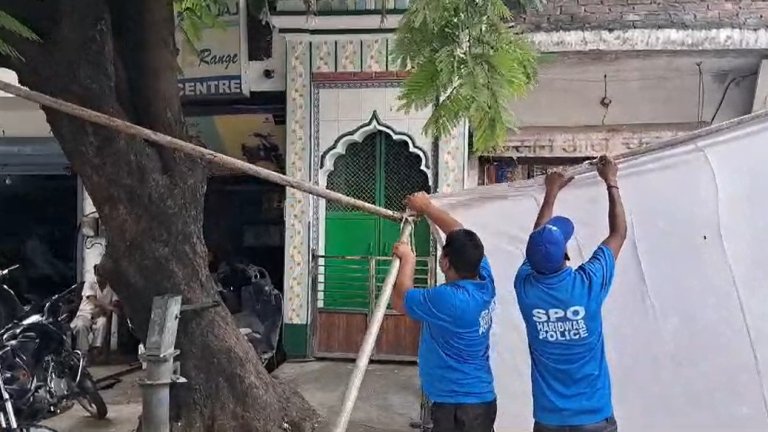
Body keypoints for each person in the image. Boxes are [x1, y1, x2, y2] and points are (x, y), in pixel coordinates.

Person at [514, 155, 627, 432]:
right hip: (594, 417)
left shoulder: (525, 288)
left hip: (549, 419)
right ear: (565, 252)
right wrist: (611, 182)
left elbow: (536, 241)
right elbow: (618, 234)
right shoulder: (587, 284)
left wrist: (550, 194)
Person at [391, 192, 497, 432]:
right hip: (478, 400)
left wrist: (408, 260)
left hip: (458, 407)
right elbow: (457, 231)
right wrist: (426, 207)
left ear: (445, 262)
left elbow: (399, 302)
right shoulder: (484, 278)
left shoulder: (449, 299)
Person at [71, 263, 118, 360]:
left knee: (103, 322)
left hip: (100, 314)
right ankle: (83, 353)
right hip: (85, 314)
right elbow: (93, 300)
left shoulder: (111, 287)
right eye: (99, 275)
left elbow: (115, 302)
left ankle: (96, 348)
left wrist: (107, 309)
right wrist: (109, 308)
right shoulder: (90, 283)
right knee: (80, 326)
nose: (100, 279)